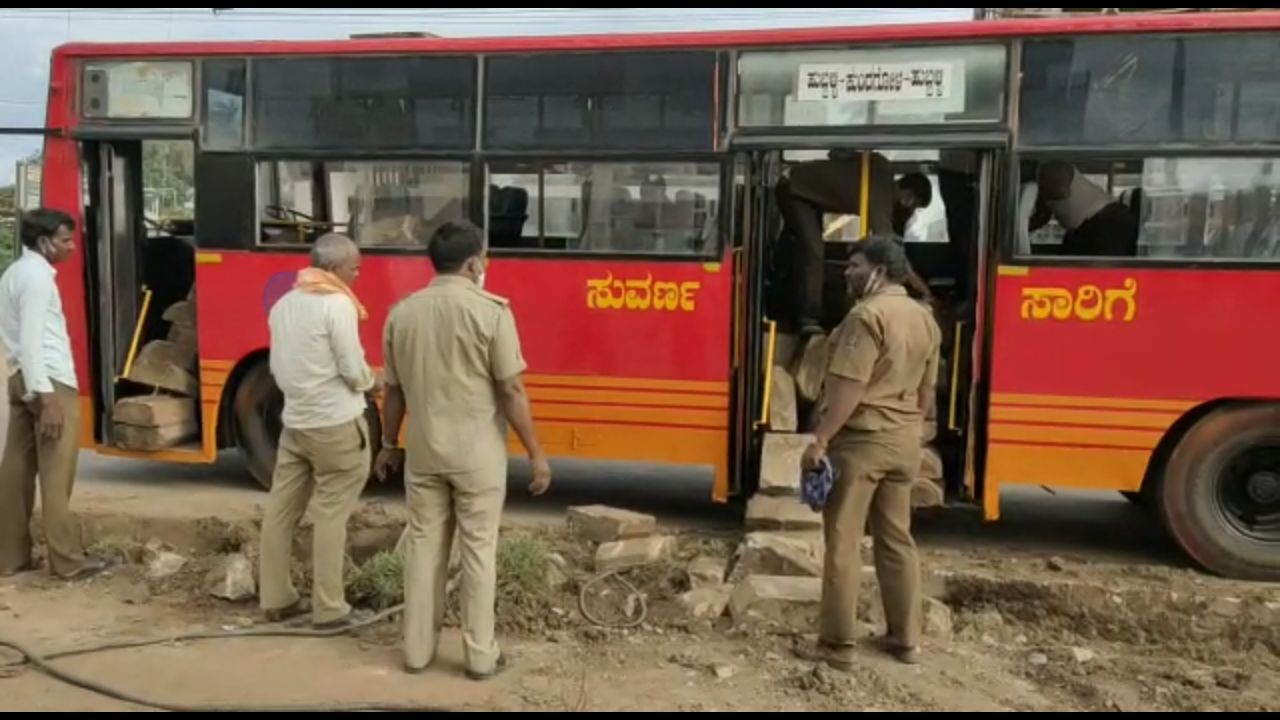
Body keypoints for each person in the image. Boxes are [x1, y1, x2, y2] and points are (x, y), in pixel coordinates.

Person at [374, 219, 550, 678]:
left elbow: (392, 392)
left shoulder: (402, 312)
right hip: (477, 457)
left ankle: (416, 652)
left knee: (424, 548)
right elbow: (510, 389)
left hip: (424, 452)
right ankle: (479, 655)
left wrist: (388, 445)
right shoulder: (492, 312)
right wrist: (536, 452)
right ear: (475, 262)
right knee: (478, 552)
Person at [797, 235, 941, 668]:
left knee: (842, 539)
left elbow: (849, 388)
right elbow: (927, 390)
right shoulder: (924, 318)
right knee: (897, 540)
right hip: (904, 443)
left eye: (855, 264)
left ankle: (837, 645)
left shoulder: (866, 316)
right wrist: (911, 430)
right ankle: (906, 640)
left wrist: (820, 440)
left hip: (861, 442)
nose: (847, 271)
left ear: (879, 270)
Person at [258, 233, 377, 629]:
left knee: (280, 511)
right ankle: (329, 608)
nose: (358, 274)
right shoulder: (337, 304)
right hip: (336, 425)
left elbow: (277, 369)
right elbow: (351, 367)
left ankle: (276, 598)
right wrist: (373, 381)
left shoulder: (284, 305)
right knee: (330, 514)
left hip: (295, 424)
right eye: (354, 267)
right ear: (332, 269)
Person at [0, 208, 107, 580]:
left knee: (15, 472)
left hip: (19, 379)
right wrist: (47, 398)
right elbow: (32, 340)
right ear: (44, 243)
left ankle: (10, 557)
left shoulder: (13, 273)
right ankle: (67, 562)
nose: (71, 247)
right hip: (48, 383)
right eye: (64, 240)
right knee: (56, 475)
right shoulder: (38, 279)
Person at [775, 152, 933, 333]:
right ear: (908, 197)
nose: (911, 209)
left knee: (803, 248)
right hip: (795, 188)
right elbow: (891, 251)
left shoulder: (880, 167)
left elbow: (835, 154)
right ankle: (808, 319)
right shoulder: (879, 199)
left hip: (808, 192)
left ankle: (785, 302)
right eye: (915, 205)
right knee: (814, 251)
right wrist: (921, 287)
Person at [1032, 160, 1138, 257]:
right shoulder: (1081, 228)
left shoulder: (1116, 223)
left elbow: (1105, 271)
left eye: (1057, 212)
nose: (1056, 217)